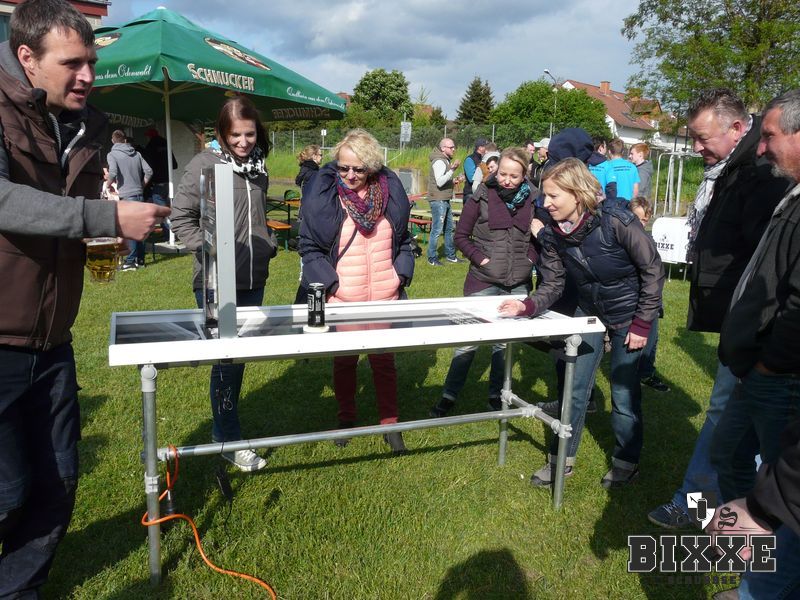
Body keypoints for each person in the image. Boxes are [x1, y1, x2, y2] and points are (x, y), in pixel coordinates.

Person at [0, 1, 168, 596]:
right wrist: (105, 216)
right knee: (7, 492)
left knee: (58, 485)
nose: (88, 75)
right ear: (27, 57)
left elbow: (73, 211)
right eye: (72, 63)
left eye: (91, 61)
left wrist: (100, 236)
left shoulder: (89, 125)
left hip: (53, 338)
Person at [647, 88, 789, 530]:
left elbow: (769, 266)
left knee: (730, 422)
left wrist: (757, 341)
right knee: (736, 433)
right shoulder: (734, 169)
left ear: (736, 129)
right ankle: (734, 519)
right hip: (747, 323)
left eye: (702, 137)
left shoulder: (762, 175)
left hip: (757, 329)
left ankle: (703, 507)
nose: (695, 147)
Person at [500, 158, 664, 488]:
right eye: (545, 196)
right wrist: (527, 304)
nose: (546, 204)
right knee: (574, 388)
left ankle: (626, 461)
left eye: (553, 196)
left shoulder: (616, 220)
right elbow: (553, 283)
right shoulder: (554, 235)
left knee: (623, 393)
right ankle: (561, 460)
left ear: (577, 194)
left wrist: (642, 324)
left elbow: (652, 269)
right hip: (588, 313)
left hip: (630, 315)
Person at [706, 88, 800, 600]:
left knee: (785, 491)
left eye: (770, 135)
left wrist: (770, 366)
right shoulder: (792, 189)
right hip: (757, 369)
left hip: (778, 376)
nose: (761, 148)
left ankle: (758, 588)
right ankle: (750, 553)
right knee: (727, 453)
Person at [171, 96, 277, 472]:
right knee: (227, 361)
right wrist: (212, 250)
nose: (243, 142)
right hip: (216, 281)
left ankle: (225, 429)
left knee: (238, 359)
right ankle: (228, 438)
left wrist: (268, 242)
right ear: (221, 133)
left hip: (253, 278)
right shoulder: (205, 165)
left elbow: (256, 216)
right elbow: (180, 218)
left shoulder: (259, 168)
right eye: (235, 135)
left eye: (250, 134)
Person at [299, 129, 414, 454]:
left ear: (372, 167)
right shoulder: (326, 199)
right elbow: (309, 247)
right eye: (343, 167)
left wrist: (400, 275)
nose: (350, 175)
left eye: (358, 169)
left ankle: (390, 424)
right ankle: (346, 418)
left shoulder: (390, 198)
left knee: (384, 363)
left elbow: (404, 241)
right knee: (345, 362)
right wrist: (332, 284)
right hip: (344, 301)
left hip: (384, 298)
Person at [430, 148, 536, 417]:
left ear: (525, 175)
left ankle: (496, 395)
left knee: (504, 344)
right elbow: (460, 235)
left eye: (514, 176)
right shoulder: (482, 195)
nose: (507, 180)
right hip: (482, 281)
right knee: (468, 340)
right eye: (503, 174)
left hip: (517, 283)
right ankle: (449, 395)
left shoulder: (534, 198)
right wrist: (481, 260)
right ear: (494, 170)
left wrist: (530, 260)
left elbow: (538, 238)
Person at [629, 196, 669, 393]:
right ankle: (633, 374)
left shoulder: (648, 240)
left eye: (645, 220)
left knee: (652, 340)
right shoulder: (625, 239)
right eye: (637, 218)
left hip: (650, 300)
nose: (641, 223)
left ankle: (646, 373)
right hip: (632, 299)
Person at [107, 129, 153, 269]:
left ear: (112, 141)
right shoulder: (137, 154)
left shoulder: (112, 154)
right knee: (139, 228)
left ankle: (131, 261)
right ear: (125, 140)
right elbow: (149, 171)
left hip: (127, 195)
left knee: (130, 229)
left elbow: (113, 172)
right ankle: (140, 259)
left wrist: (107, 185)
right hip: (139, 194)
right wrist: (141, 185)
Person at [427, 138, 463, 266]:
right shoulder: (439, 161)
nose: (454, 149)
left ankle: (450, 256)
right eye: (451, 147)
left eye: (454, 147)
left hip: (444, 199)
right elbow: (440, 182)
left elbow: (444, 180)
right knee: (437, 230)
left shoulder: (445, 160)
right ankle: (432, 258)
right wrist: (452, 170)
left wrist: (453, 180)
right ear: (443, 148)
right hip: (438, 200)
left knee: (449, 229)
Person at [141, 127, 178, 235]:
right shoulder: (166, 144)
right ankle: (167, 232)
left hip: (158, 182)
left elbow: (149, 166)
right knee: (164, 206)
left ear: (150, 136)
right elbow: (174, 165)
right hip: (168, 181)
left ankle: (170, 231)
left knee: (162, 209)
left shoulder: (151, 146)